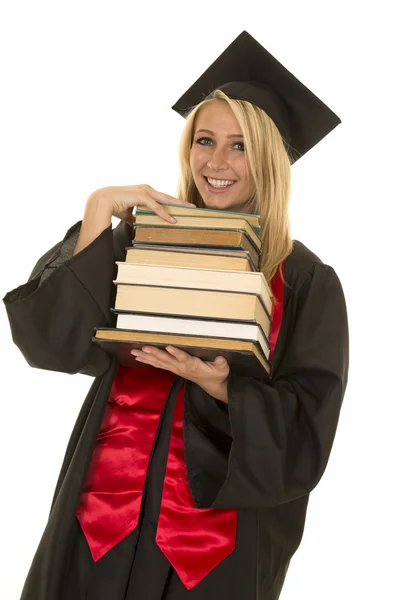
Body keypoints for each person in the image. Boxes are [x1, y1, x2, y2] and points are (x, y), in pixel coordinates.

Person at [3, 31, 349, 600]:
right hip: (100, 517)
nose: (216, 162)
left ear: (270, 157)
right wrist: (98, 212)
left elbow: (309, 428)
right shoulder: (142, 237)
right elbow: (50, 342)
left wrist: (222, 387)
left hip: (210, 544)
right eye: (204, 140)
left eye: (240, 146)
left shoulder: (305, 279)